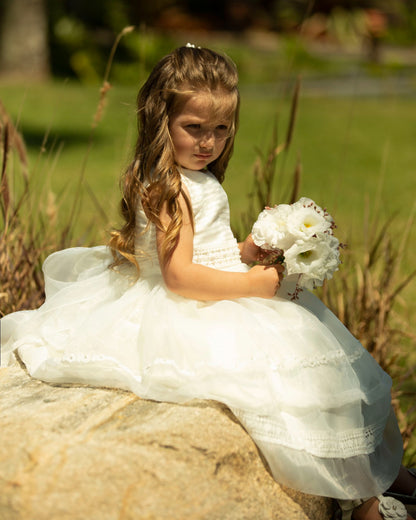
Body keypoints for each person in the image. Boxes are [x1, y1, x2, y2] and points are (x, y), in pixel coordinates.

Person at [1, 45, 415, 520]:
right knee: (287, 381)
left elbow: (204, 248)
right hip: (186, 305)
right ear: (161, 120)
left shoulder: (193, 177)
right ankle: (367, 502)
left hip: (214, 284)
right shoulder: (167, 185)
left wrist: (246, 253)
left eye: (220, 130)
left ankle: (393, 482)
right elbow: (178, 275)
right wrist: (256, 286)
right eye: (194, 129)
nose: (208, 143)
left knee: (329, 376)